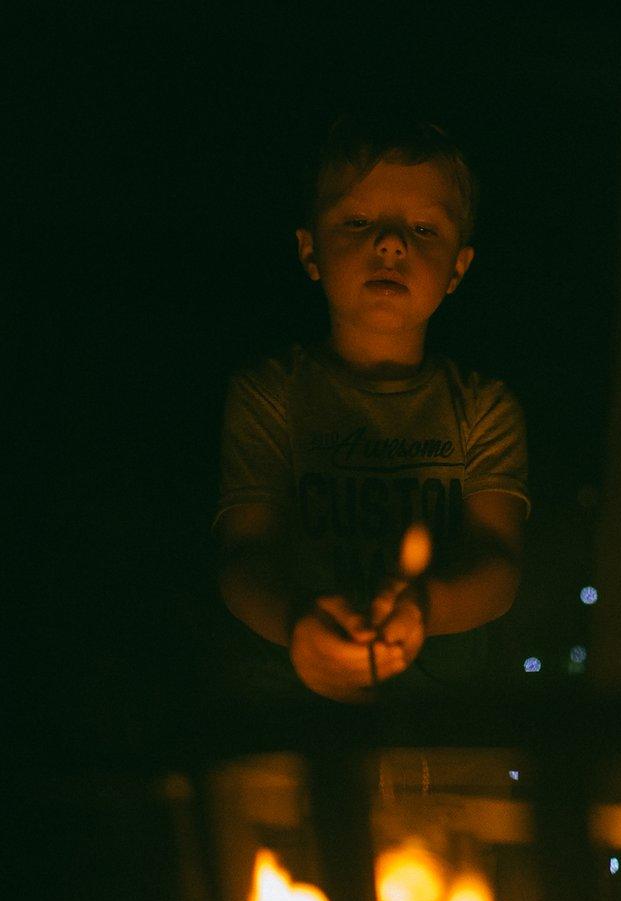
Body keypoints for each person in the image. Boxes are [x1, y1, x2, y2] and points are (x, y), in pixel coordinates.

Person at [213, 115, 529, 705]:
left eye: (422, 228)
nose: (391, 243)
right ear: (310, 250)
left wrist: (425, 608)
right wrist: (297, 623)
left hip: (443, 719)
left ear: (458, 268)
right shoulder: (269, 397)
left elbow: (498, 566)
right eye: (358, 222)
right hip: (285, 709)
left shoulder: (484, 409)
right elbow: (243, 557)